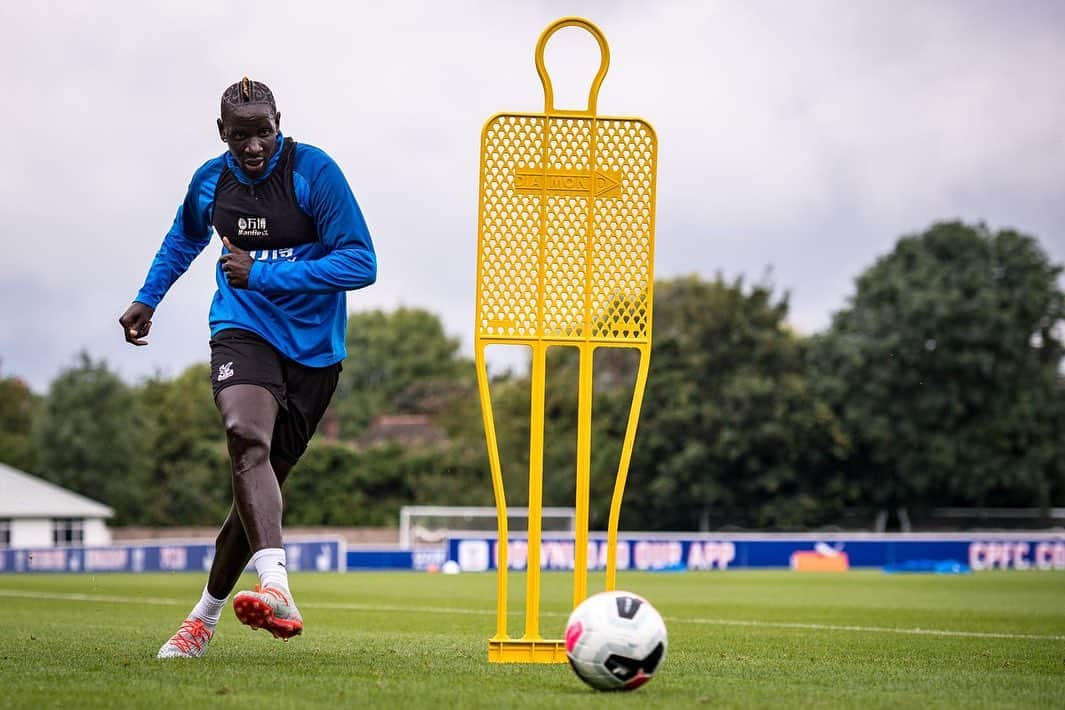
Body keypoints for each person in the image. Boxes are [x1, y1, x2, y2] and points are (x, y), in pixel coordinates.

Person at [119, 77, 377, 659]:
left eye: (264, 131)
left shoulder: (315, 173)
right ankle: (277, 588)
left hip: (314, 352)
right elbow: (183, 239)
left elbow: (361, 262)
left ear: (279, 121)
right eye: (241, 136)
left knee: (258, 490)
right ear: (222, 133)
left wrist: (264, 274)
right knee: (244, 439)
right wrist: (148, 296)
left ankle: (201, 619)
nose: (254, 146)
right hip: (243, 328)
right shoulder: (211, 180)